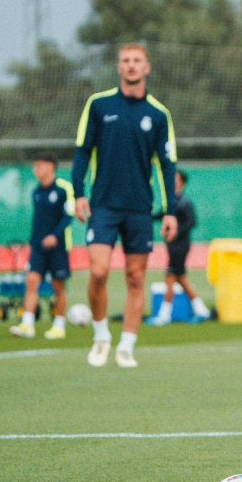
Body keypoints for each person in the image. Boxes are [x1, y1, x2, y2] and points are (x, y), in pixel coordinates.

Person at [72, 42, 178, 369]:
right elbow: (82, 150)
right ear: (119, 68)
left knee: (135, 277)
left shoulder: (158, 115)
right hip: (103, 205)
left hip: (139, 208)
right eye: (126, 61)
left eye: (137, 61)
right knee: (99, 271)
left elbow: (167, 164)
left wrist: (169, 209)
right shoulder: (99, 105)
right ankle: (101, 335)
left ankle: (127, 346)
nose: (131, 66)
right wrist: (78, 192)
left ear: (147, 68)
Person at [9, 153, 74, 340]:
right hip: (38, 247)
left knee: (58, 286)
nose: (35, 170)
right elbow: (38, 221)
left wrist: (55, 236)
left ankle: (59, 326)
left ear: (50, 166)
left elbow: (68, 216)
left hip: (58, 247)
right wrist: (33, 241)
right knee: (31, 282)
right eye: (34, 166)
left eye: (39, 165)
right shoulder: (37, 191)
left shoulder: (63, 189)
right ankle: (27, 325)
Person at [148, 169, 211, 325]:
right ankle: (202, 310)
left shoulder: (184, 202)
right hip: (172, 245)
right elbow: (159, 215)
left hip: (180, 245)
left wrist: (176, 231)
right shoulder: (171, 201)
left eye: (176, 179)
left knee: (170, 277)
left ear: (182, 182)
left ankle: (164, 315)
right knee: (180, 278)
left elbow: (192, 222)